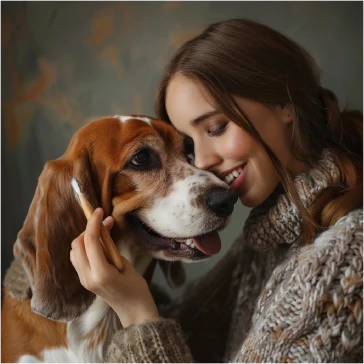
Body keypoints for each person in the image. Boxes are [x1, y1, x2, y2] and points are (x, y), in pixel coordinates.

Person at [70, 19, 364, 363]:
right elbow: (186, 328)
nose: (204, 164)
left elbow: (156, 328)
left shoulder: (348, 257)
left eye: (216, 127)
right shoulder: (268, 241)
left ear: (284, 103)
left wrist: (137, 315)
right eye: (191, 149)